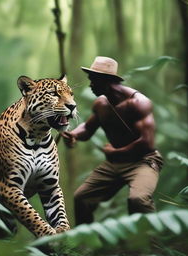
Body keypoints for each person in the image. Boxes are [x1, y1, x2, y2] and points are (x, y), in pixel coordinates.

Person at [62, 56, 163, 225]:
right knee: (82, 197)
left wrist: (116, 152)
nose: (91, 85)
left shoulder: (138, 103)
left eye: (94, 80)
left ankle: (151, 247)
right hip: (114, 163)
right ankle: (86, 243)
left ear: (107, 81)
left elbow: (147, 142)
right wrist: (74, 135)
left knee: (138, 199)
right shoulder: (101, 104)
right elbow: (88, 128)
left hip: (143, 161)